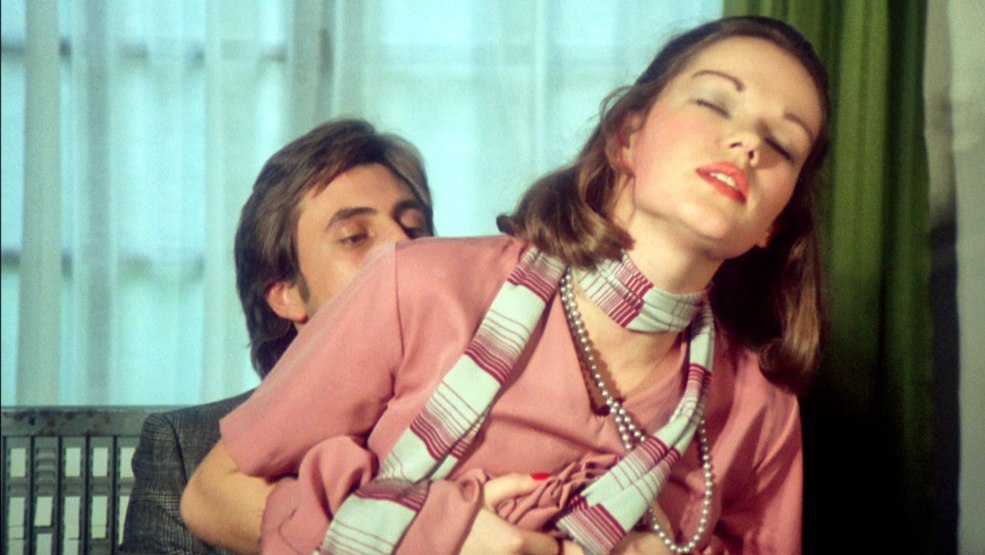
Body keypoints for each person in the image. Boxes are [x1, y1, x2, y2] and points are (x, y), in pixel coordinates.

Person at [182, 15, 829, 554]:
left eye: (783, 143)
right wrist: (428, 541)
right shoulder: (418, 284)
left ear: (773, 223)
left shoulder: (763, 409)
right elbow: (212, 494)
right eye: (714, 102)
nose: (747, 142)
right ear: (626, 135)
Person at [118, 119, 435, 554]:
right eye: (354, 237)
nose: (402, 248)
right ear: (286, 293)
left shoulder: (482, 416)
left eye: (416, 229)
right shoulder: (186, 450)